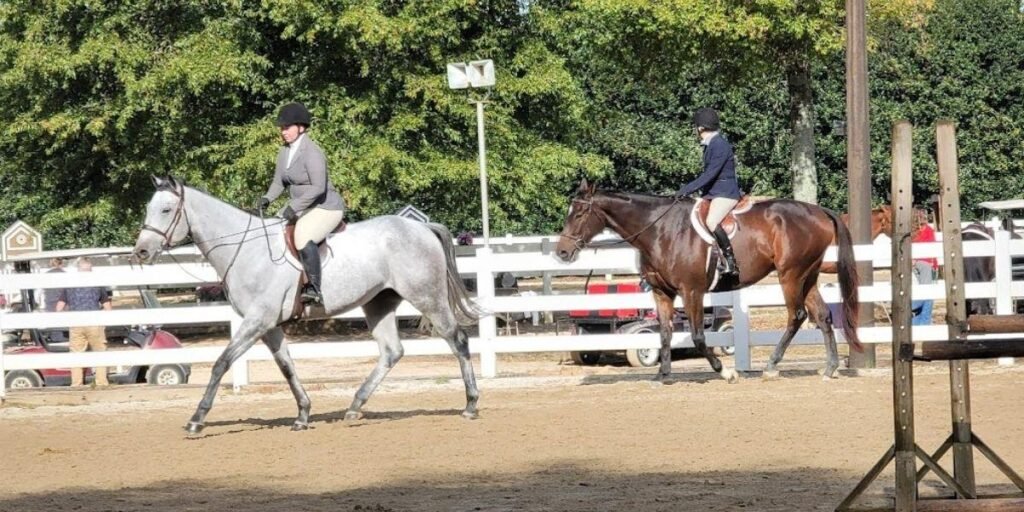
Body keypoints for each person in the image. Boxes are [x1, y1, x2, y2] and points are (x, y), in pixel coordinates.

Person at [257, 102, 345, 304]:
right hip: (305, 206)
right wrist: (267, 199)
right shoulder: (285, 152)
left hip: (326, 206)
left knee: (303, 235)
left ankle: (314, 289)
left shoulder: (312, 152)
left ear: (301, 127)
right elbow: (278, 182)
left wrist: (292, 207)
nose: (283, 131)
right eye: (282, 128)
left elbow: (318, 188)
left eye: (287, 127)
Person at [676, 107, 743, 276]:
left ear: (700, 128)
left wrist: (685, 190)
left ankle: (730, 262)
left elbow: (710, 174)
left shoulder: (719, 145)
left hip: (726, 193)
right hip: (714, 193)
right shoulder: (711, 144)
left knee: (712, 221)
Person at [55, 258, 112, 386]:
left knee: (76, 355)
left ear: (78, 270)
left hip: (76, 324)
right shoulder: (97, 284)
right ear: (90, 270)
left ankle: (76, 385)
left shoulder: (70, 285)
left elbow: (59, 308)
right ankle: (101, 383)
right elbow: (108, 307)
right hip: (94, 323)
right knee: (100, 353)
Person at [911, 209, 938, 325]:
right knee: (926, 293)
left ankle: (920, 320)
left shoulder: (917, 231)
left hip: (922, 264)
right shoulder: (926, 231)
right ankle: (923, 320)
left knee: (924, 292)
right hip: (924, 264)